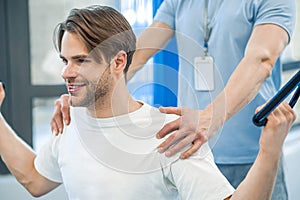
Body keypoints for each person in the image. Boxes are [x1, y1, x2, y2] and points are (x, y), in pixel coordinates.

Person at [0, 5, 296, 200]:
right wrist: (83, 89)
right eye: (65, 61)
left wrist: (212, 117)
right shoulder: (179, 3)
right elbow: (135, 52)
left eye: (78, 60)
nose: (67, 69)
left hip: (245, 145)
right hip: (193, 136)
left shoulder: (168, 136)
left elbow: (262, 58)